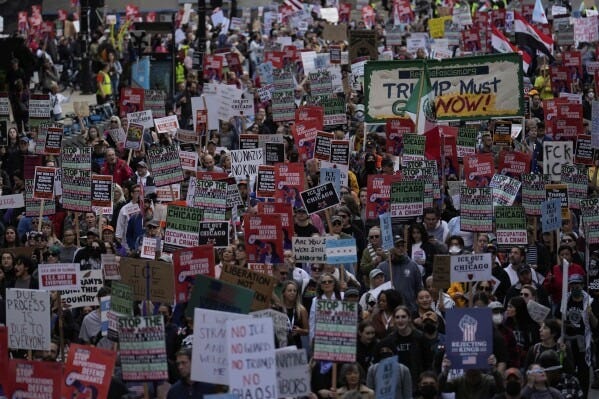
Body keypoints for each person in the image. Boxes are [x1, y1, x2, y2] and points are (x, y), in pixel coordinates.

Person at [377, 305, 432, 384]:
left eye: (403, 317)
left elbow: (428, 362)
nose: (400, 320)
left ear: (409, 318)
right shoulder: (389, 340)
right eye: (397, 317)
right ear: (394, 320)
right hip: (396, 382)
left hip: (416, 382)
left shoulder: (420, 338)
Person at [377, 235, 423, 312]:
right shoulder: (382, 267)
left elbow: (419, 288)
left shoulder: (413, 265)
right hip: (390, 310)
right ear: (391, 248)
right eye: (397, 246)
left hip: (410, 310)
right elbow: (377, 289)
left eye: (402, 246)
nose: (400, 248)